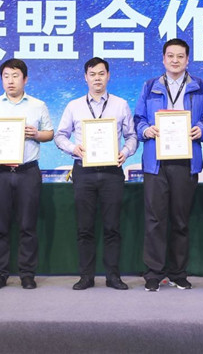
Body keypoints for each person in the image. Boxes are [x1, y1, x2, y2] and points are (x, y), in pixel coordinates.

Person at [134, 38, 203, 292]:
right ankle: (153, 273)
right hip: (156, 163)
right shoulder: (150, 86)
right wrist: (146, 130)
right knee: (155, 220)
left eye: (180, 56)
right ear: (163, 59)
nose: (175, 60)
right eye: (170, 56)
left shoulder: (201, 87)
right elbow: (138, 119)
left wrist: (201, 129)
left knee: (180, 220)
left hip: (186, 161)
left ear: (187, 60)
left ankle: (178, 273)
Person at [54, 57, 138, 291]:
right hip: (84, 171)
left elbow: (132, 136)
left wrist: (125, 152)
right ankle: (86, 276)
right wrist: (73, 148)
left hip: (112, 171)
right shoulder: (74, 106)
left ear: (108, 76)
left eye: (101, 73)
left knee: (112, 227)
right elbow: (59, 136)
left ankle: (113, 276)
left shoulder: (120, 104)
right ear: (85, 77)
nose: (97, 78)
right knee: (85, 227)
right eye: (92, 74)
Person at [0, 59, 54, 290]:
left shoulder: (38, 105)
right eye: (6, 76)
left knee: (28, 226)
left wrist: (37, 134)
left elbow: (50, 133)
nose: (10, 81)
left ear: (25, 79)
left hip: (27, 171)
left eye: (15, 76)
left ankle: (27, 274)